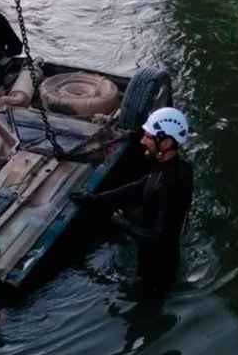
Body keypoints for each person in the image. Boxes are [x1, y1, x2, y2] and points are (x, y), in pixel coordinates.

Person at [71, 107, 194, 299]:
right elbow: (139, 188)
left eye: (148, 137)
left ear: (167, 142)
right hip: (154, 254)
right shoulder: (174, 168)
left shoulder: (170, 184)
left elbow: (157, 238)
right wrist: (95, 200)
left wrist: (118, 221)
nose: (142, 141)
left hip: (156, 273)